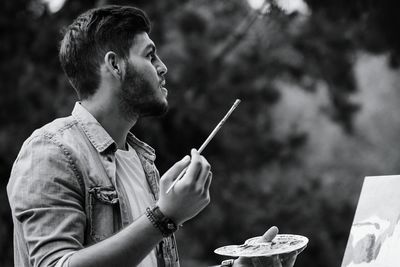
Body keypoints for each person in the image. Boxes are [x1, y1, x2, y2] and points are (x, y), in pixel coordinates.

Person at [7, 5, 300, 267]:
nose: (163, 67)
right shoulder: (51, 152)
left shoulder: (142, 162)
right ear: (115, 65)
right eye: (150, 55)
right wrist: (163, 218)